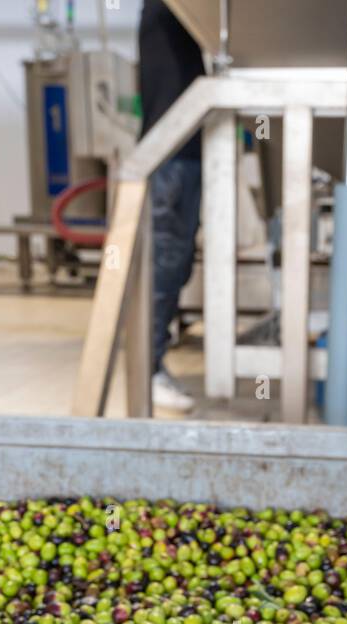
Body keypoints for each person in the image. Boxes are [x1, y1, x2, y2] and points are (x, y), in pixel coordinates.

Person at [139, 0, 205, 413]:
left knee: (176, 262)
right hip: (172, 151)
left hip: (186, 148)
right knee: (164, 263)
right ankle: (147, 369)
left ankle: (152, 361)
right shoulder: (173, 7)